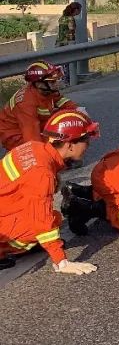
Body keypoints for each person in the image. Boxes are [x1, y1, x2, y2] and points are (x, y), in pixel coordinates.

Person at [0, 110, 99, 274]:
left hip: (7, 207)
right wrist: (62, 262)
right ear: (69, 145)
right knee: (49, 223)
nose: (88, 146)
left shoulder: (35, 148)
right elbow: (42, 221)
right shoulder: (42, 174)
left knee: (53, 218)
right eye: (86, 141)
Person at [0, 62, 80, 152]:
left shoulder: (46, 91)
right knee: (55, 142)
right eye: (52, 81)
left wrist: (78, 112)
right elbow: (31, 137)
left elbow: (62, 101)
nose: (57, 84)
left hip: (32, 127)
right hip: (14, 135)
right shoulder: (26, 103)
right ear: (39, 84)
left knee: (67, 127)